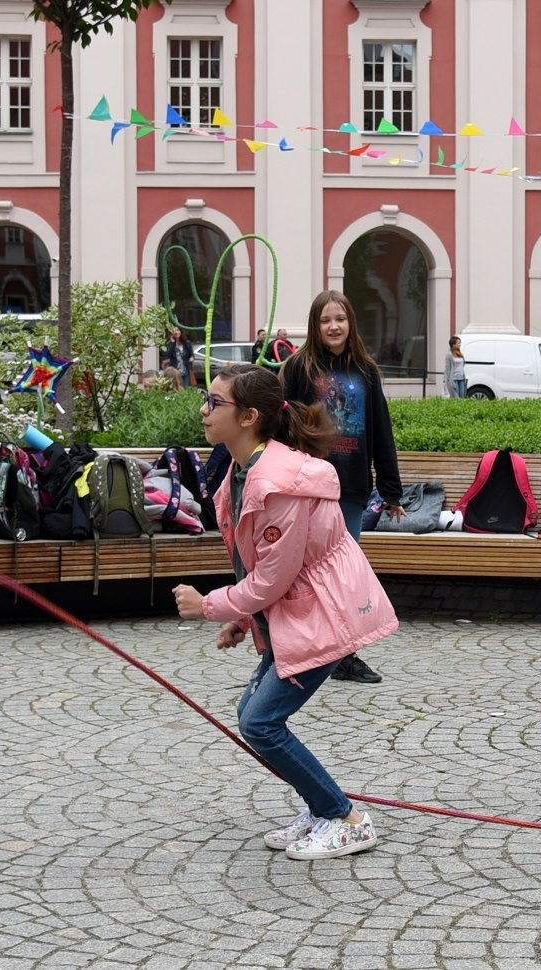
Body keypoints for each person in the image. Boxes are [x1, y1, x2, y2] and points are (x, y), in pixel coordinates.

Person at [171, 365, 397, 860]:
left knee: (260, 724)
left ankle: (347, 818)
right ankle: (321, 809)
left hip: (321, 616)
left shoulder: (279, 483)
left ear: (249, 416)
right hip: (293, 613)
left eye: (214, 403)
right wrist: (245, 617)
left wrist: (207, 605)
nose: (204, 411)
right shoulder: (244, 469)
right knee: (251, 716)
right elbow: (263, 565)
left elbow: (274, 577)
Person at [281, 290, 404, 685]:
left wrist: (390, 488)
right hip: (307, 490)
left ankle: (345, 655)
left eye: (341, 319)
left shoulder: (366, 371)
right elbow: (283, 429)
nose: (334, 326)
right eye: (325, 320)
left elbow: (381, 429)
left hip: (350, 489)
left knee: (344, 574)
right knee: (302, 572)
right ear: (315, 326)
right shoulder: (299, 369)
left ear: (351, 323)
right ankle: (299, 651)